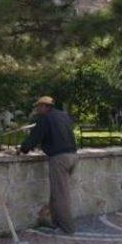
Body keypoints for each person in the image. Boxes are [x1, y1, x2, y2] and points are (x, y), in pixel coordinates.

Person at [19, 96, 78, 234]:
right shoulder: (63, 116)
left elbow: (34, 138)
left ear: (46, 106)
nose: (37, 109)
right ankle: (55, 221)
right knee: (57, 192)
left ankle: (68, 228)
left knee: (61, 195)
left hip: (59, 159)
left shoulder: (44, 118)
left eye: (39, 106)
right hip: (73, 157)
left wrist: (22, 149)